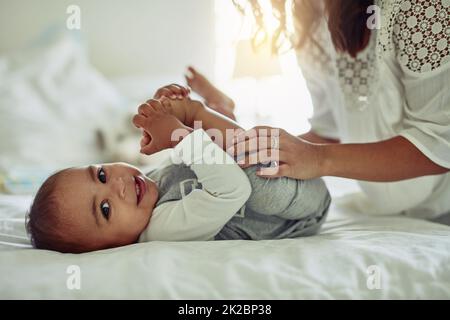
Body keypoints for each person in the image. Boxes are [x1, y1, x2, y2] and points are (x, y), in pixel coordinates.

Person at [218, 0, 449, 221]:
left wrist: (319, 158)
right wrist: (244, 151)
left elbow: (439, 143)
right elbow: (328, 133)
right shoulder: (307, 14)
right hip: (387, 213)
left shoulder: (419, 7)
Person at [25, 89, 331, 253]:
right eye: (105, 209)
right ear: (111, 247)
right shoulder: (160, 230)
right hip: (297, 213)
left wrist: (170, 123)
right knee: (245, 170)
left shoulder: (149, 187)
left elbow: (201, 159)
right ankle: (204, 113)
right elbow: (232, 190)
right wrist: (180, 133)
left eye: (102, 175)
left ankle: (214, 113)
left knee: (215, 154)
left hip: (291, 182)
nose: (117, 185)